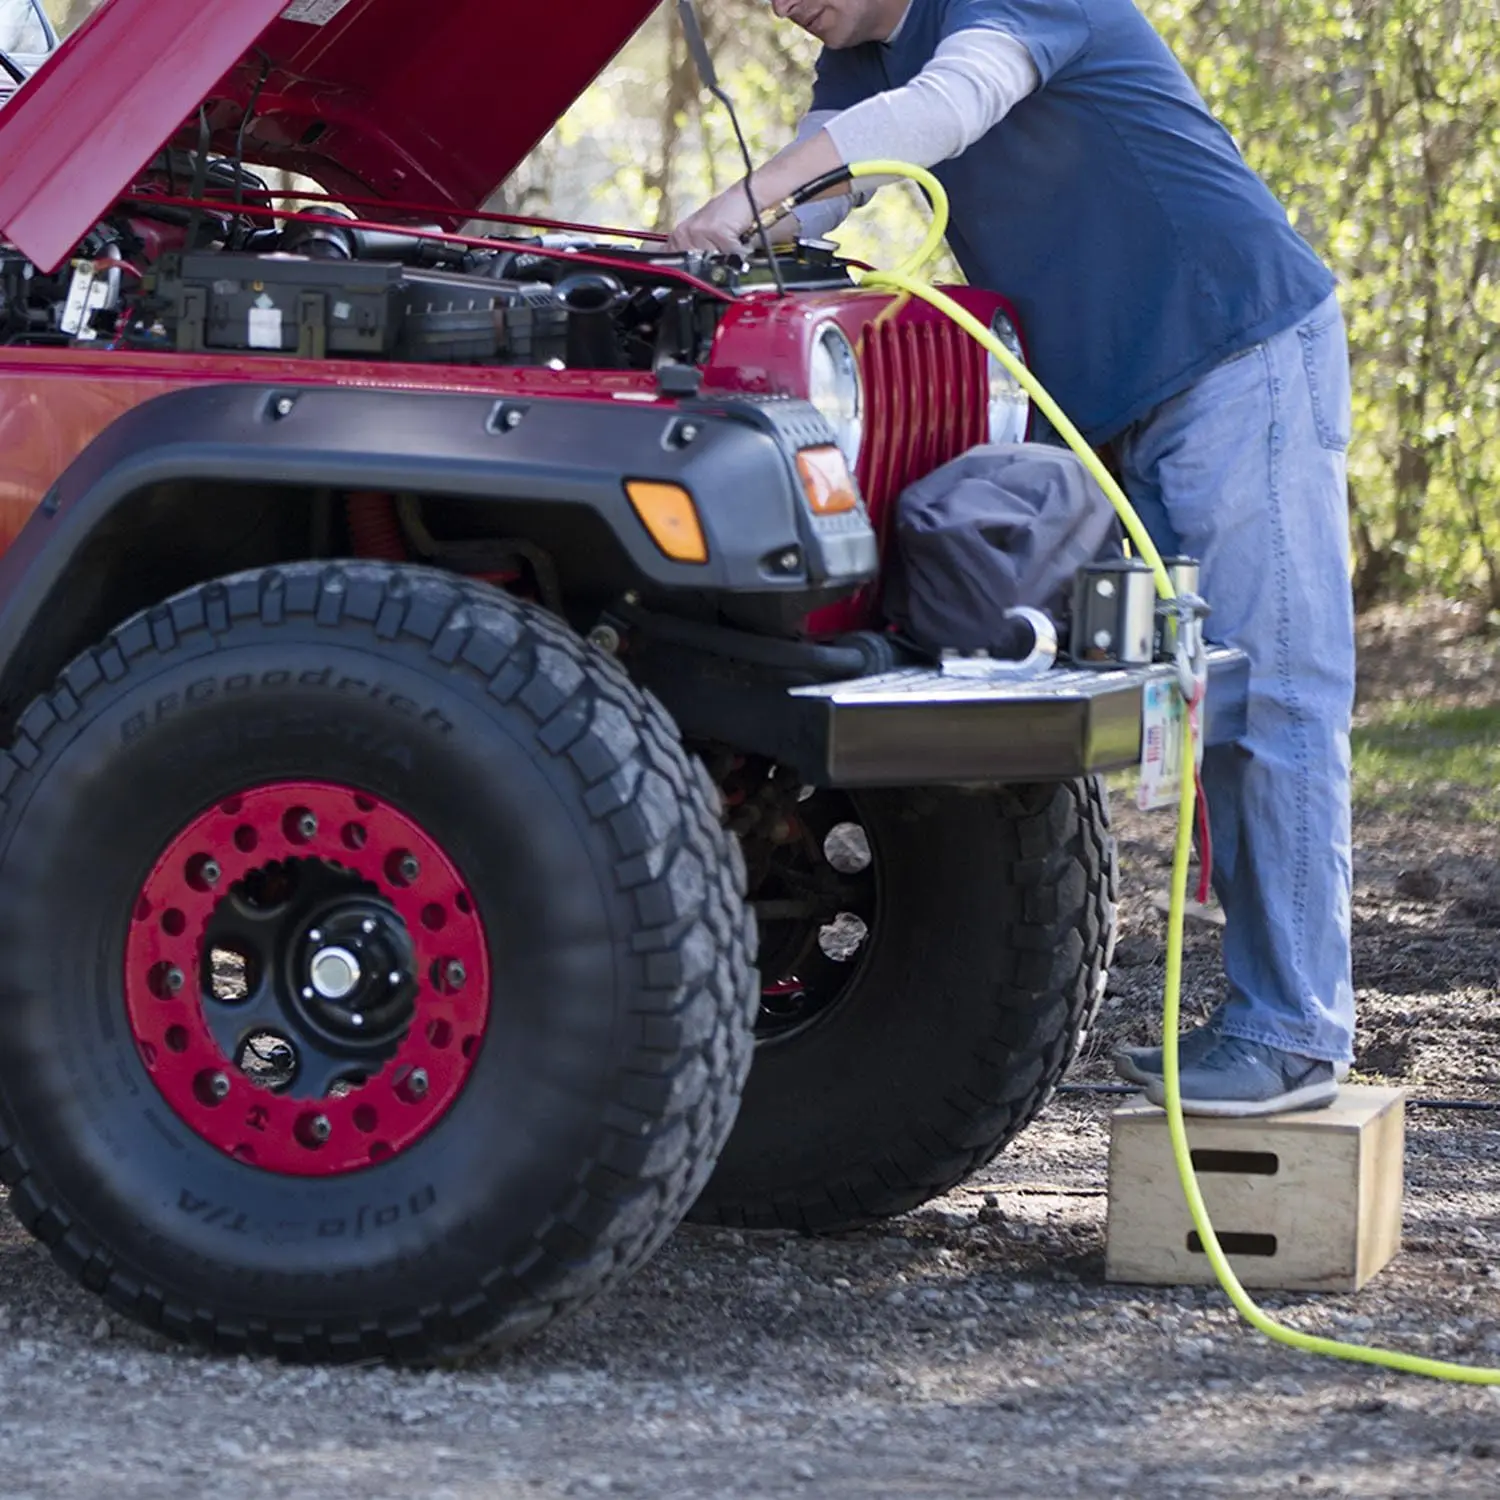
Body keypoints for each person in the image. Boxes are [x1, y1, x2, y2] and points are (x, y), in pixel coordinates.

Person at [668, 0, 1356, 1117]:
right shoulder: (854, 58)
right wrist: (736, 238)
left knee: (1270, 685)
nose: (785, 3)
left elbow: (951, 104)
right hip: (1104, 397)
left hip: (1233, 348)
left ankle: (1293, 1032)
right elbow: (841, 181)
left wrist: (747, 195)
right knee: (1132, 681)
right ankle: (1265, 1017)